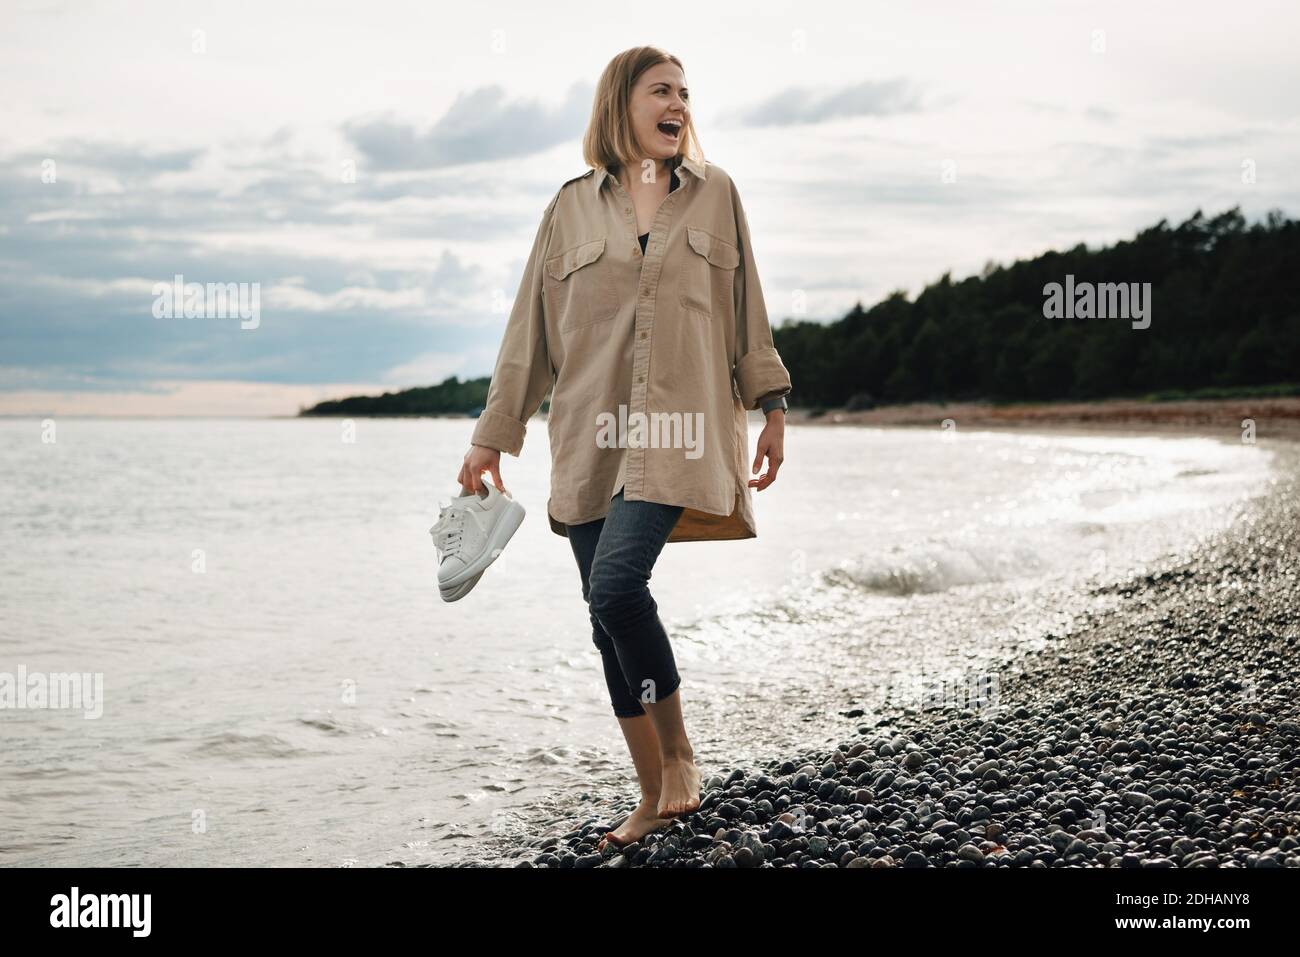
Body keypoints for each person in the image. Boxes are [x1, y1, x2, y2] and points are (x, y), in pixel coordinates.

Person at [459, 46, 792, 849]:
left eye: (685, 92)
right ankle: (651, 793)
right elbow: (528, 338)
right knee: (601, 618)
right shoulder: (568, 209)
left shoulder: (717, 197)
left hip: (678, 434)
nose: (678, 103)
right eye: (662, 90)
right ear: (622, 106)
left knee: (615, 589)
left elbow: (747, 308)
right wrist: (491, 436)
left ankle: (679, 757)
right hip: (588, 439)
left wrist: (772, 405)